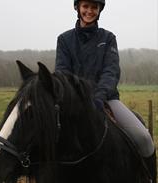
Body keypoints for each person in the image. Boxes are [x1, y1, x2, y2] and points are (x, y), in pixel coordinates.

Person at [55, 0, 157, 182]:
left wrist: (98, 97)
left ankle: (148, 178)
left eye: (94, 7)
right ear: (77, 8)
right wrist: (77, 99)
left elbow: (111, 71)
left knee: (144, 139)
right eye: (86, 6)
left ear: (99, 10)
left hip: (107, 100)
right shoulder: (64, 40)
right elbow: (62, 73)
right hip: (74, 102)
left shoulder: (108, 38)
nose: (89, 11)